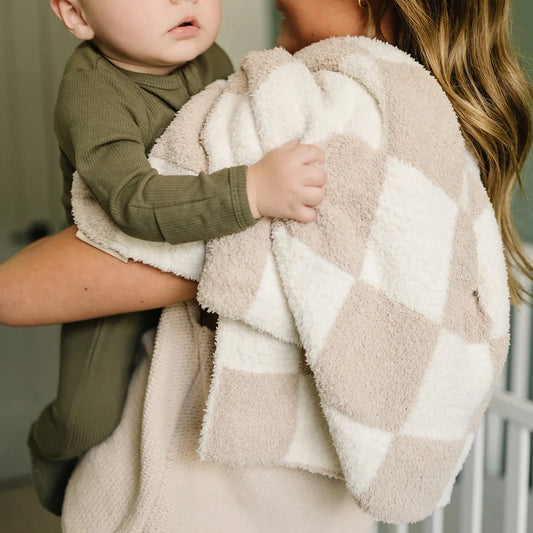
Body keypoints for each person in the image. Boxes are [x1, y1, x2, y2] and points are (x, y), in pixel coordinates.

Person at [1, 0, 531, 530]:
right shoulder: (420, 118)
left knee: (81, 413)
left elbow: (18, 290)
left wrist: (249, 199)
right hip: (317, 511)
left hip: (200, 503)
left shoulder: (310, 111)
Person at [28, 0, 327, 517]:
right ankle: (48, 461)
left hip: (197, 258)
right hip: (114, 266)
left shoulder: (209, 59)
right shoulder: (91, 93)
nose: (183, 1)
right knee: (86, 417)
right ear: (76, 15)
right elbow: (133, 203)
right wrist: (251, 191)